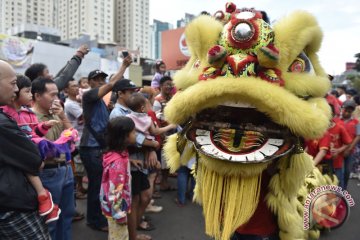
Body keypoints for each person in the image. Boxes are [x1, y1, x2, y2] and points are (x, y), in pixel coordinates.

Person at [79, 56, 132, 232]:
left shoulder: (102, 100)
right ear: (90, 82)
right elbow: (111, 85)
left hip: (98, 147)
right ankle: (94, 221)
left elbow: (110, 84)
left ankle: (98, 217)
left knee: (100, 184)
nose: (101, 81)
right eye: (98, 79)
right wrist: (124, 66)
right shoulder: (89, 95)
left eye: (102, 78)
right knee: (95, 185)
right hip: (91, 147)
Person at [1, 75, 61, 223]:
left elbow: (32, 132)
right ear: (15, 94)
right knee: (30, 168)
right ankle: (42, 195)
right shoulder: (6, 113)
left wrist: (43, 127)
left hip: (30, 149)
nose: (30, 95)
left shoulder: (29, 112)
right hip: (24, 154)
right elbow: (21, 140)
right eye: (27, 91)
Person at [0, 60, 50, 239]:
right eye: (13, 83)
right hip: (13, 208)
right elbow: (35, 160)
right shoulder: (3, 123)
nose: (15, 90)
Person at [31, 77, 74, 240]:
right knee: (51, 221)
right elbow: (44, 150)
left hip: (66, 169)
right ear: (37, 96)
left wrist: (62, 116)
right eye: (52, 95)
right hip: (48, 173)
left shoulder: (56, 113)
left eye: (58, 95)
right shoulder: (30, 118)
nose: (56, 99)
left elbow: (72, 137)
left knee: (67, 216)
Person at [100, 117, 136, 240]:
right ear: (125, 136)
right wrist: (119, 215)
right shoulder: (118, 162)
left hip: (116, 207)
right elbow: (115, 190)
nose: (135, 134)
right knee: (120, 236)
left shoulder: (116, 154)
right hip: (117, 210)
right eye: (134, 132)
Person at [25, 44, 90, 91]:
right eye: (47, 72)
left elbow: (61, 75)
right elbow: (64, 77)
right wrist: (79, 55)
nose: (51, 75)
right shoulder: (43, 89)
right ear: (39, 76)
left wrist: (76, 58)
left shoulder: (41, 87)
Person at [64, 79, 87, 198]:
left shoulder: (76, 102)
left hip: (81, 137)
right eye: (73, 86)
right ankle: (78, 189)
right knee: (78, 167)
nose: (77, 87)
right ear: (66, 90)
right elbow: (85, 115)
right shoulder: (70, 104)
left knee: (80, 166)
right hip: (76, 139)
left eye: (77, 85)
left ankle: (80, 187)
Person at [153, 76, 177, 191]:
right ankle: (158, 185)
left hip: (172, 133)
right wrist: (161, 135)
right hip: (163, 134)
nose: (169, 86)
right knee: (161, 161)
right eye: (167, 84)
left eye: (170, 84)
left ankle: (164, 183)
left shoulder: (172, 98)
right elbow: (156, 119)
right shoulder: (157, 100)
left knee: (168, 161)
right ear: (161, 86)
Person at [336, 100, 360, 189]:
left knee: (347, 172)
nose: (347, 112)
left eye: (349, 111)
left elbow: (358, 136)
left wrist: (349, 149)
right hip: (338, 151)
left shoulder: (356, 122)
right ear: (342, 109)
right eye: (345, 110)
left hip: (350, 151)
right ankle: (338, 190)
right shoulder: (337, 120)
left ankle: (344, 190)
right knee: (339, 172)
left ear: (352, 111)